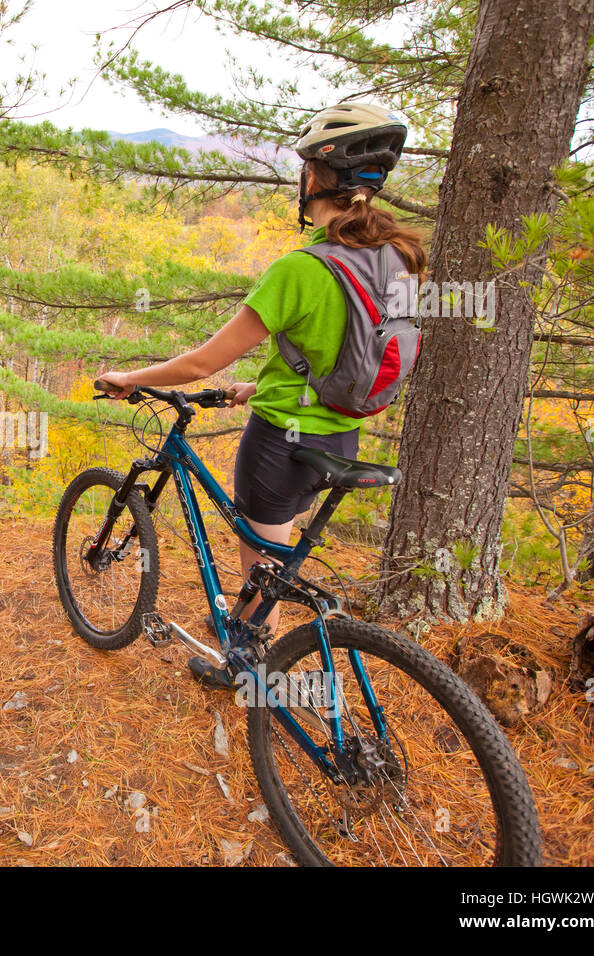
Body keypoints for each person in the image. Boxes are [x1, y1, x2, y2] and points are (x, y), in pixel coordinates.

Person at [96, 102, 427, 689]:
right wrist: (262, 384)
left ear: (317, 179)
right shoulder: (399, 259)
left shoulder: (301, 269)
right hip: (341, 434)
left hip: (279, 444)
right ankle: (257, 634)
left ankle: (249, 667)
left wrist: (133, 378)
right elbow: (348, 351)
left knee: (262, 558)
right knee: (278, 546)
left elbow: (202, 361)